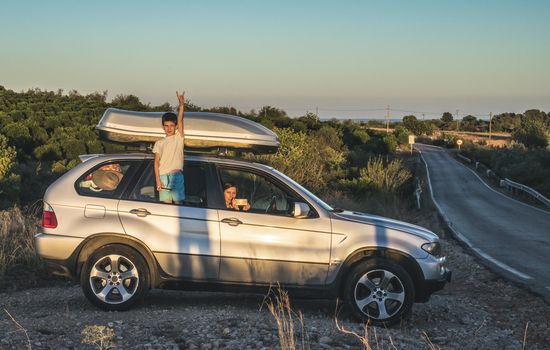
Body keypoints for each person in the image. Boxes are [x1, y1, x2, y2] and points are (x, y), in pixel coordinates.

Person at [153, 91, 186, 204]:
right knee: (167, 207)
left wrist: (181, 104)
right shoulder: (159, 143)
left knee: (178, 206)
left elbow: (180, 119)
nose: (169, 128)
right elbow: (156, 162)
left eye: (172, 125)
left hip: (176, 175)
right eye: (166, 126)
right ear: (163, 127)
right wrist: (158, 180)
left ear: (176, 127)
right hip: (163, 177)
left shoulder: (179, 138)